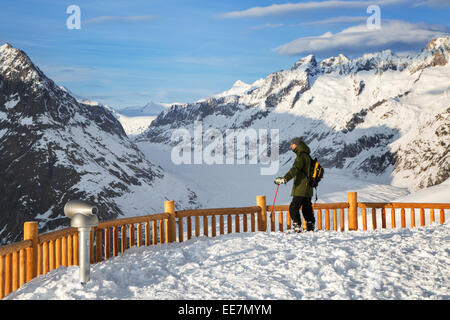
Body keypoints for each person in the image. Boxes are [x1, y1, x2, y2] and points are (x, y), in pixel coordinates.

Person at [274, 137, 315, 232]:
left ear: (297, 145)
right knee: (306, 208)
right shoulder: (308, 156)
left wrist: (284, 179)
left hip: (301, 188)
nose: (290, 146)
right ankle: (310, 226)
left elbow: (295, 169)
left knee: (293, 208)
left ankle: (297, 226)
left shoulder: (301, 156)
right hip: (309, 188)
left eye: (292, 144)